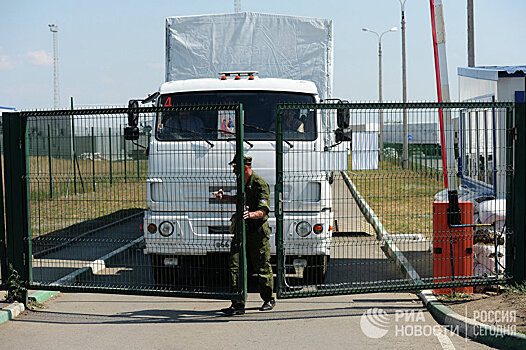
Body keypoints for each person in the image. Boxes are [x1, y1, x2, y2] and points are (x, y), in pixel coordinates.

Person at [213, 154, 275, 315]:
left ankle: (268, 299)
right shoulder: (241, 182)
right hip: (241, 230)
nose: (233, 171)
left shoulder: (260, 184)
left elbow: (264, 211)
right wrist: (224, 197)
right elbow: (240, 199)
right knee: (235, 265)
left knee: (261, 265)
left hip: (257, 232)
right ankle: (238, 303)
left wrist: (251, 214)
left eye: (235, 167)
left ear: (245, 167)